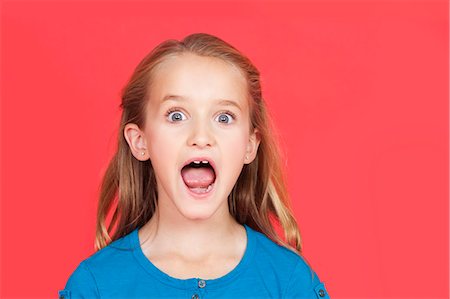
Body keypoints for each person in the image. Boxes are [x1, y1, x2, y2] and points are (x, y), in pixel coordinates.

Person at [58, 32, 330, 299]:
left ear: (249, 145)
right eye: (176, 115)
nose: (201, 137)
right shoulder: (95, 285)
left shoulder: (289, 281)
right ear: (140, 141)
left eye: (224, 117)